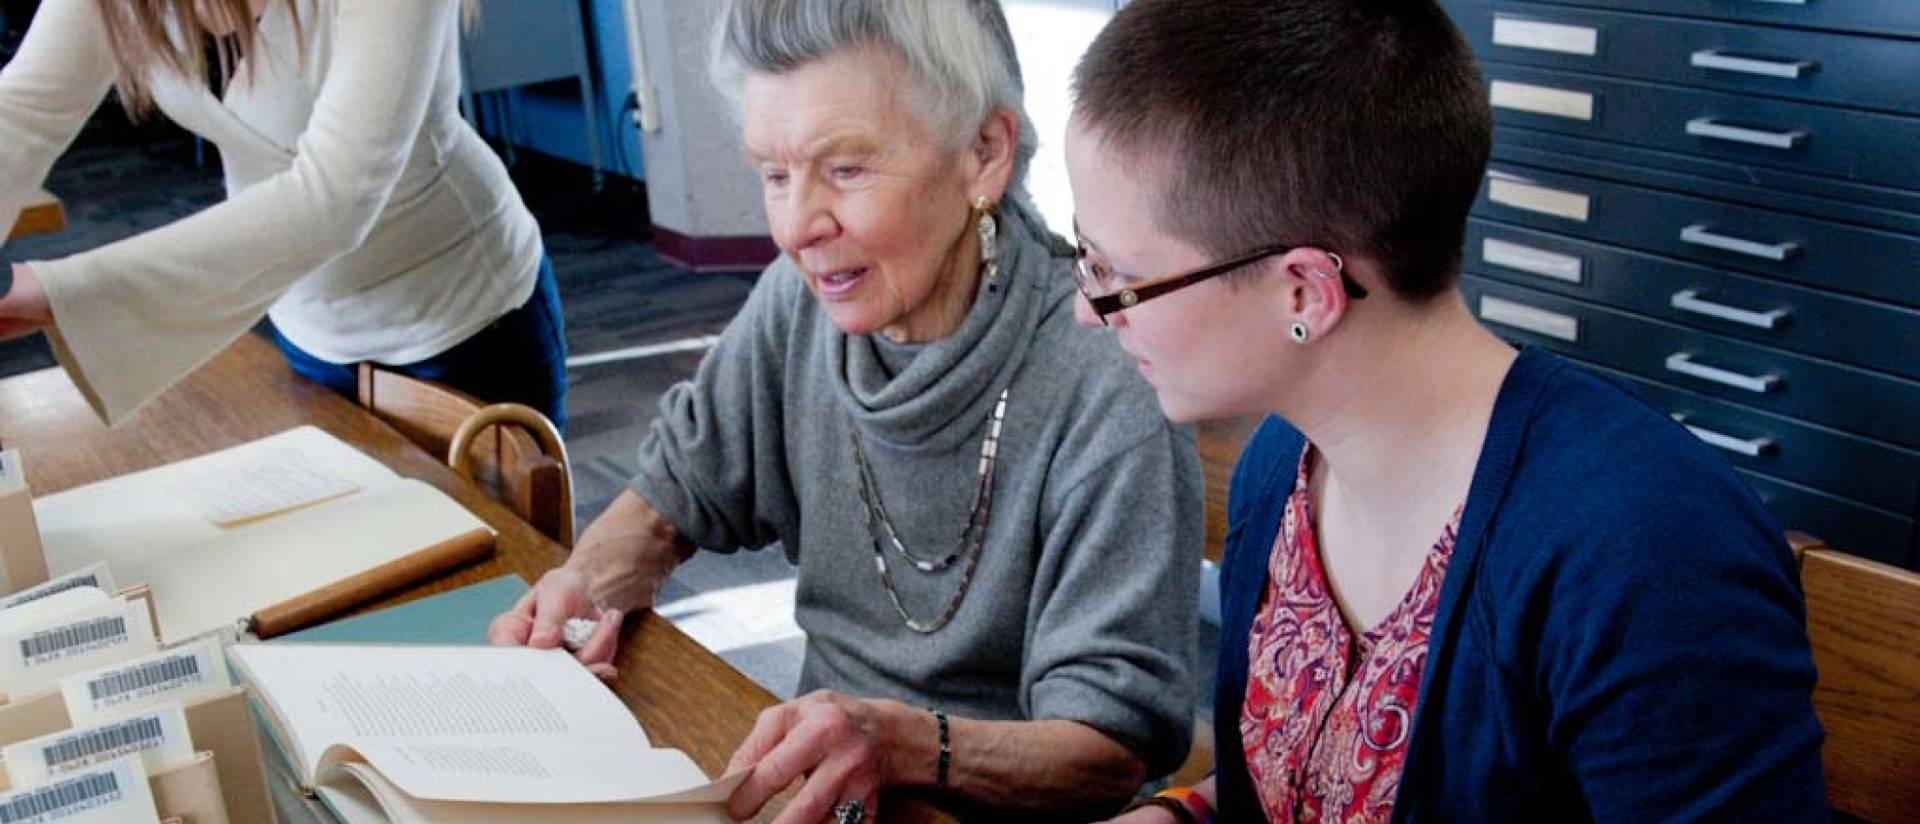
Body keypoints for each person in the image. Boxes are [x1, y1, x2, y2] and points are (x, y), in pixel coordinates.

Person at [1062, 1, 1828, 822]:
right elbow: (1309, 783)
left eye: (1117, 274)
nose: (1088, 309)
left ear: (1306, 292)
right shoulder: (1282, 465)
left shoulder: (1650, 557)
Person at [488, 1, 1201, 821]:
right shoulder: (797, 307)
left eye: (847, 169)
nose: (796, 228)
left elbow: (1108, 750)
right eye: (775, 174)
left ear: (983, 153)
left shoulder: (1103, 382)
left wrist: (905, 744)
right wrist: (583, 589)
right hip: (823, 793)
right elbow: (672, 497)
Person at [0, 0, 566, 426]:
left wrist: (61, 291)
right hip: (306, 325)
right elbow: (23, 112)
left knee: (502, 575)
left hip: (465, 322)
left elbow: (338, 197)